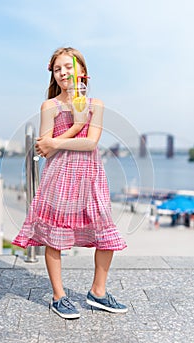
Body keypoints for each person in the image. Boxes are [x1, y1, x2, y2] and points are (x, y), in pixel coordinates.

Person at [12, 47, 127, 319]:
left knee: (105, 234)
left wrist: (58, 140)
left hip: (90, 176)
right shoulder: (49, 106)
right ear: (53, 74)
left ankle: (98, 292)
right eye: (57, 69)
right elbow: (45, 148)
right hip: (59, 177)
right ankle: (58, 296)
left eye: (68, 67)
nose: (63, 73)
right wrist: (75, 126)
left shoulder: (95, 104)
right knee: (55, 236)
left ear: (82, 72)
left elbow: (91, 143)